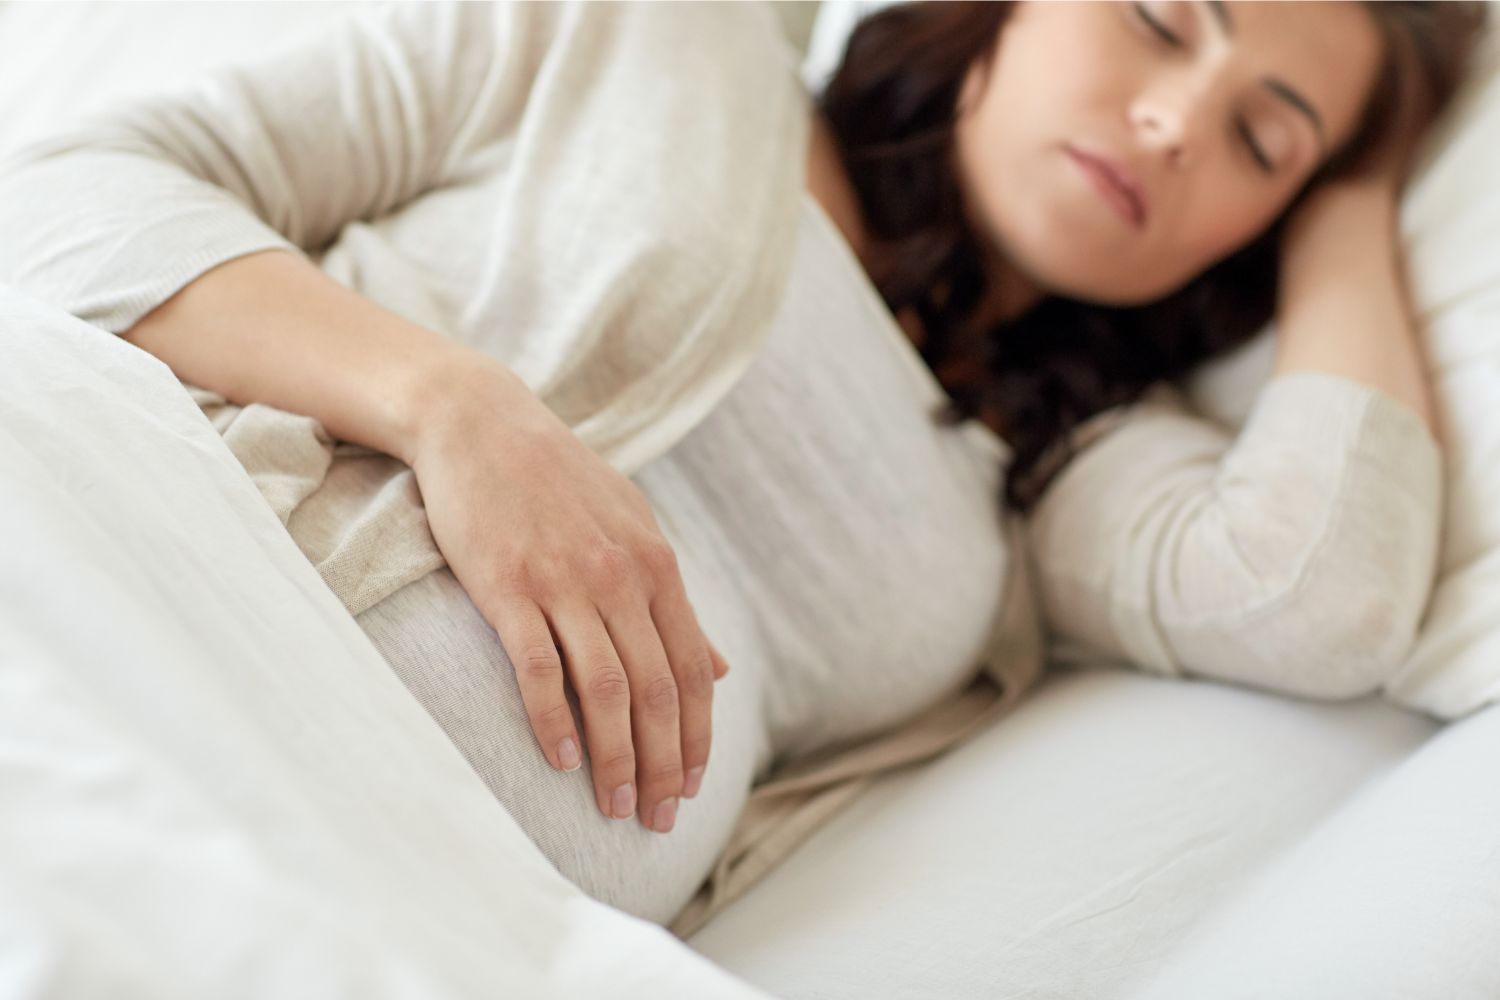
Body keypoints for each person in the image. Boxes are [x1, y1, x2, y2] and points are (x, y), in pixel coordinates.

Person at [0, 1, 1485, 929]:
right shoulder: (646, 37)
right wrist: (454, 406)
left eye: (1258, 141)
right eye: (1160, 20)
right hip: (142, 620)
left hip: (382, 918)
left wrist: (1357, 188)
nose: (1174, 125)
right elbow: (63, 196)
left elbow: (1322, 592)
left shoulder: (1056, 466)